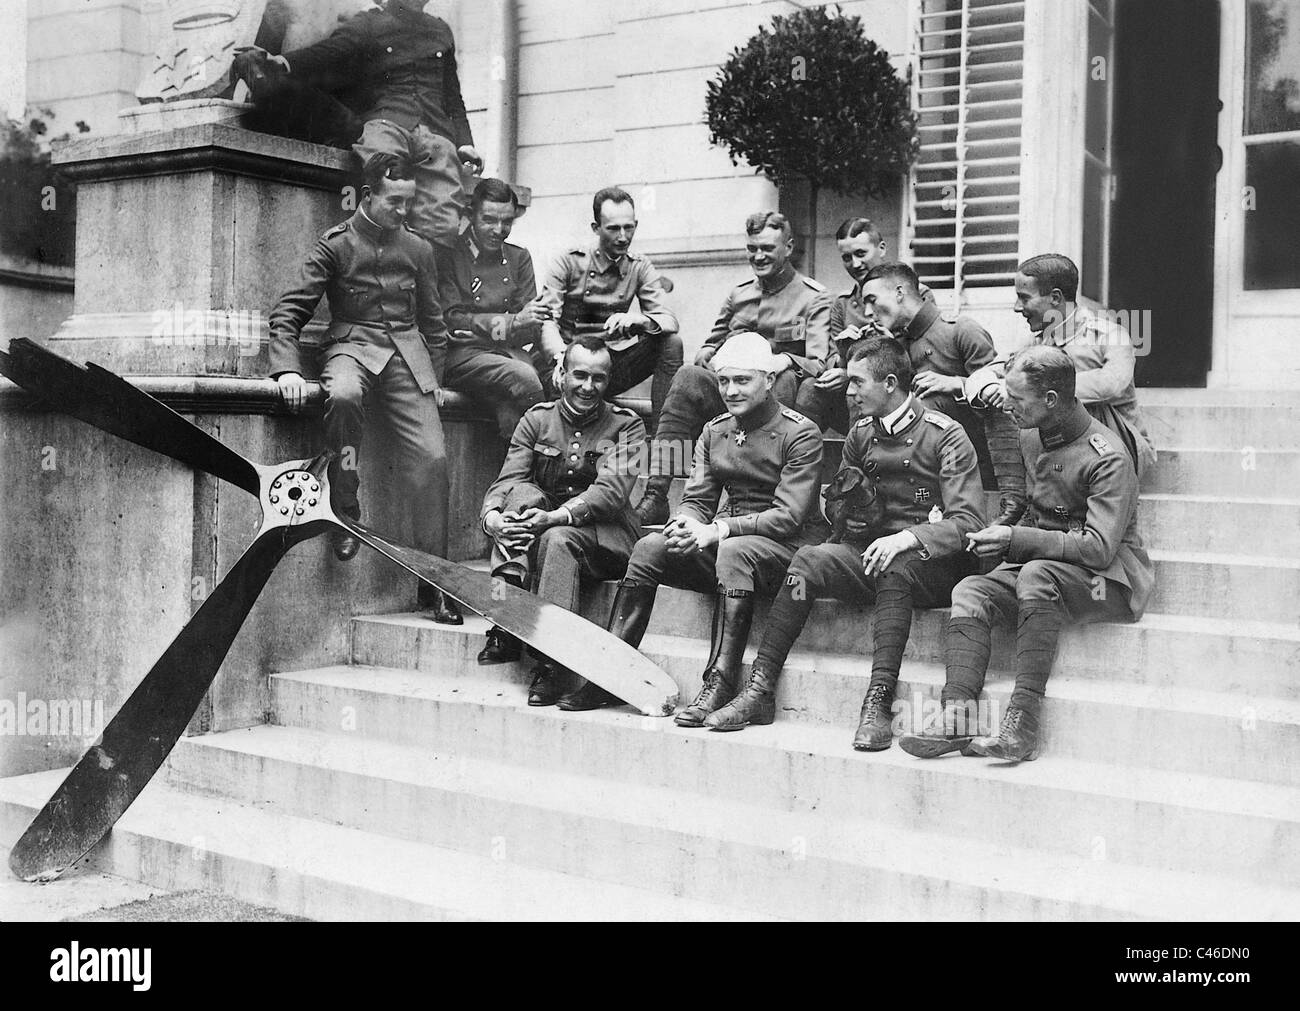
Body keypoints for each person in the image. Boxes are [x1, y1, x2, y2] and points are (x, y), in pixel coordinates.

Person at [900, 346, 1154, 762]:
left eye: (1016, 399)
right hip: (1048, 566)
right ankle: (956, 717)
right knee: (970, 589)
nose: (1007, 405)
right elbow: (1034, 512)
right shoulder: (1031, 434)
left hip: (1109, 579)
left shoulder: (1106, 456)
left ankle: (1023, 721)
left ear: (1051, 400)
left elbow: (1098, 547)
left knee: (1035, 573)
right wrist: (997, 536)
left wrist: (1016, 540)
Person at [728, 337, 986, 744]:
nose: (847, 393)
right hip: (871, 554)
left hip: (931, 565)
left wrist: (906, 538)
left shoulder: (945, 436)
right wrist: (849, 513)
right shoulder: (862, 434)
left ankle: (879, 702)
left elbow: (968, 522)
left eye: (856, 383)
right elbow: (838, 506)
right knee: (810, 559)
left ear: (888, 383)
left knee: (895, 563)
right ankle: (760, 687)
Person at [557, 332, 824, 717]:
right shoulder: (715, 431)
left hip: (786, 554)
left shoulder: (801, 433)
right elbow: (698, 501)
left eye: (743, 381)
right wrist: (685, 523)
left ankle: (719, 682)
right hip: (731, 548)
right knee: (650, 547)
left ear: (768, 381)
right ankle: (610, 676)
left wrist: (717, 530)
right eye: (724, 381)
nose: (731, 391)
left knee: (734, 550)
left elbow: (788, 517)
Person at [268, 152, 461, 624]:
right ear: (368, 194)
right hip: (351, 347)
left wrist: (433, 379)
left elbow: (434, 324)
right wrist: (287, 371)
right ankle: (345, 505)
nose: (403, 212)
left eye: (409, 204)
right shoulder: (335, 245)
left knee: (434, 457)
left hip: (406, 359)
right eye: (395, 202)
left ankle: (434, 582)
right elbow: (288, 312)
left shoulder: (418, 249)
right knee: (345, 395)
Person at [477, 336, 646, 705]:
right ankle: (507, 616)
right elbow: (509, 478)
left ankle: (552, 664)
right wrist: (492, 518)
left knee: (558, 538)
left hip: (606, 537)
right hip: (545, 528)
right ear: (561, 374)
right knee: (520, 498)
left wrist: (555, 517)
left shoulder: (627, 426)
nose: (588, 386)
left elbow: (611, 493)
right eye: (580, 375)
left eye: (598, 378)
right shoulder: (536, 419)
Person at [636, 211, 832, 525]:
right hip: (733, 392)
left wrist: (786, 360)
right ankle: (656, 493)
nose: (758, 256)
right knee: (688, 376)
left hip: (779, 406)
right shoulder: (739, 294)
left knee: (776, 381)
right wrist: (712, 356)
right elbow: (709, 345)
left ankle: (758, 500)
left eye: (767, 248)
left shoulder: (814, 298)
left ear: (789, 247)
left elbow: (821, 363)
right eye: (752, 248)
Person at [238, 0, 481, 249]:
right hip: (388, 123)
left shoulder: (441, 30)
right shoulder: (369, 22)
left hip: (436, 134)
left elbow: (452, 96)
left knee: (443, 222)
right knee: (384, 195)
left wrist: (466, 143)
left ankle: (425, 277)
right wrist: (283, 62)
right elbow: (329, 52)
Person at [857, 262, 1027, 526]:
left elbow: (1000, 394)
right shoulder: (898, 343)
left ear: (899, 292)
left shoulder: (960, 330)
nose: (868, 312)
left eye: (872, 300)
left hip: (969, 453)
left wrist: (957, 383)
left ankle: (1013, 500)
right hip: (912, 460)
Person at [965, 253, 1157, 479]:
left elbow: (1111, 384)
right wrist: (991, 387)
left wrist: (1019, 389)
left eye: (1024, 298)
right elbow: (986, 372)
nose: (1017, 308)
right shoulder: (1037, 341)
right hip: (1064, 448)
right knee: (1012, 399)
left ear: (1055, 298)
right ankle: (1015, 497)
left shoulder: (1109, 335)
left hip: (1115, 447)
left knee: (1042, 396)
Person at [536, 187, 681, 432]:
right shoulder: (568, 261)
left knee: (671, 344)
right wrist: (561, 357)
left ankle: (662, 437)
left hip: (609, 365)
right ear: (596, 228)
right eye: (613, 229)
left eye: (629, 227)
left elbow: (668, 320)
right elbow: (547, 318)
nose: (623, 237)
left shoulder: (639, 266)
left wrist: (641, 320)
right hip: (564, 364)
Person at [436, 178, 548, 442]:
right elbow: (452, 320)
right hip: (462, 357)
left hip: (506, 356)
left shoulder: (519, 258)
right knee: (526, 379)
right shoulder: (450, 256)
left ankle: (515, 479)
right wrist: (511, 325)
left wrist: (482, 329)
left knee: (509, 412)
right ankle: (551, 462)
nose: (499, 230)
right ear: (471, 216)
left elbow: (530, 327)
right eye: (489, 220)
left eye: (507, 221)